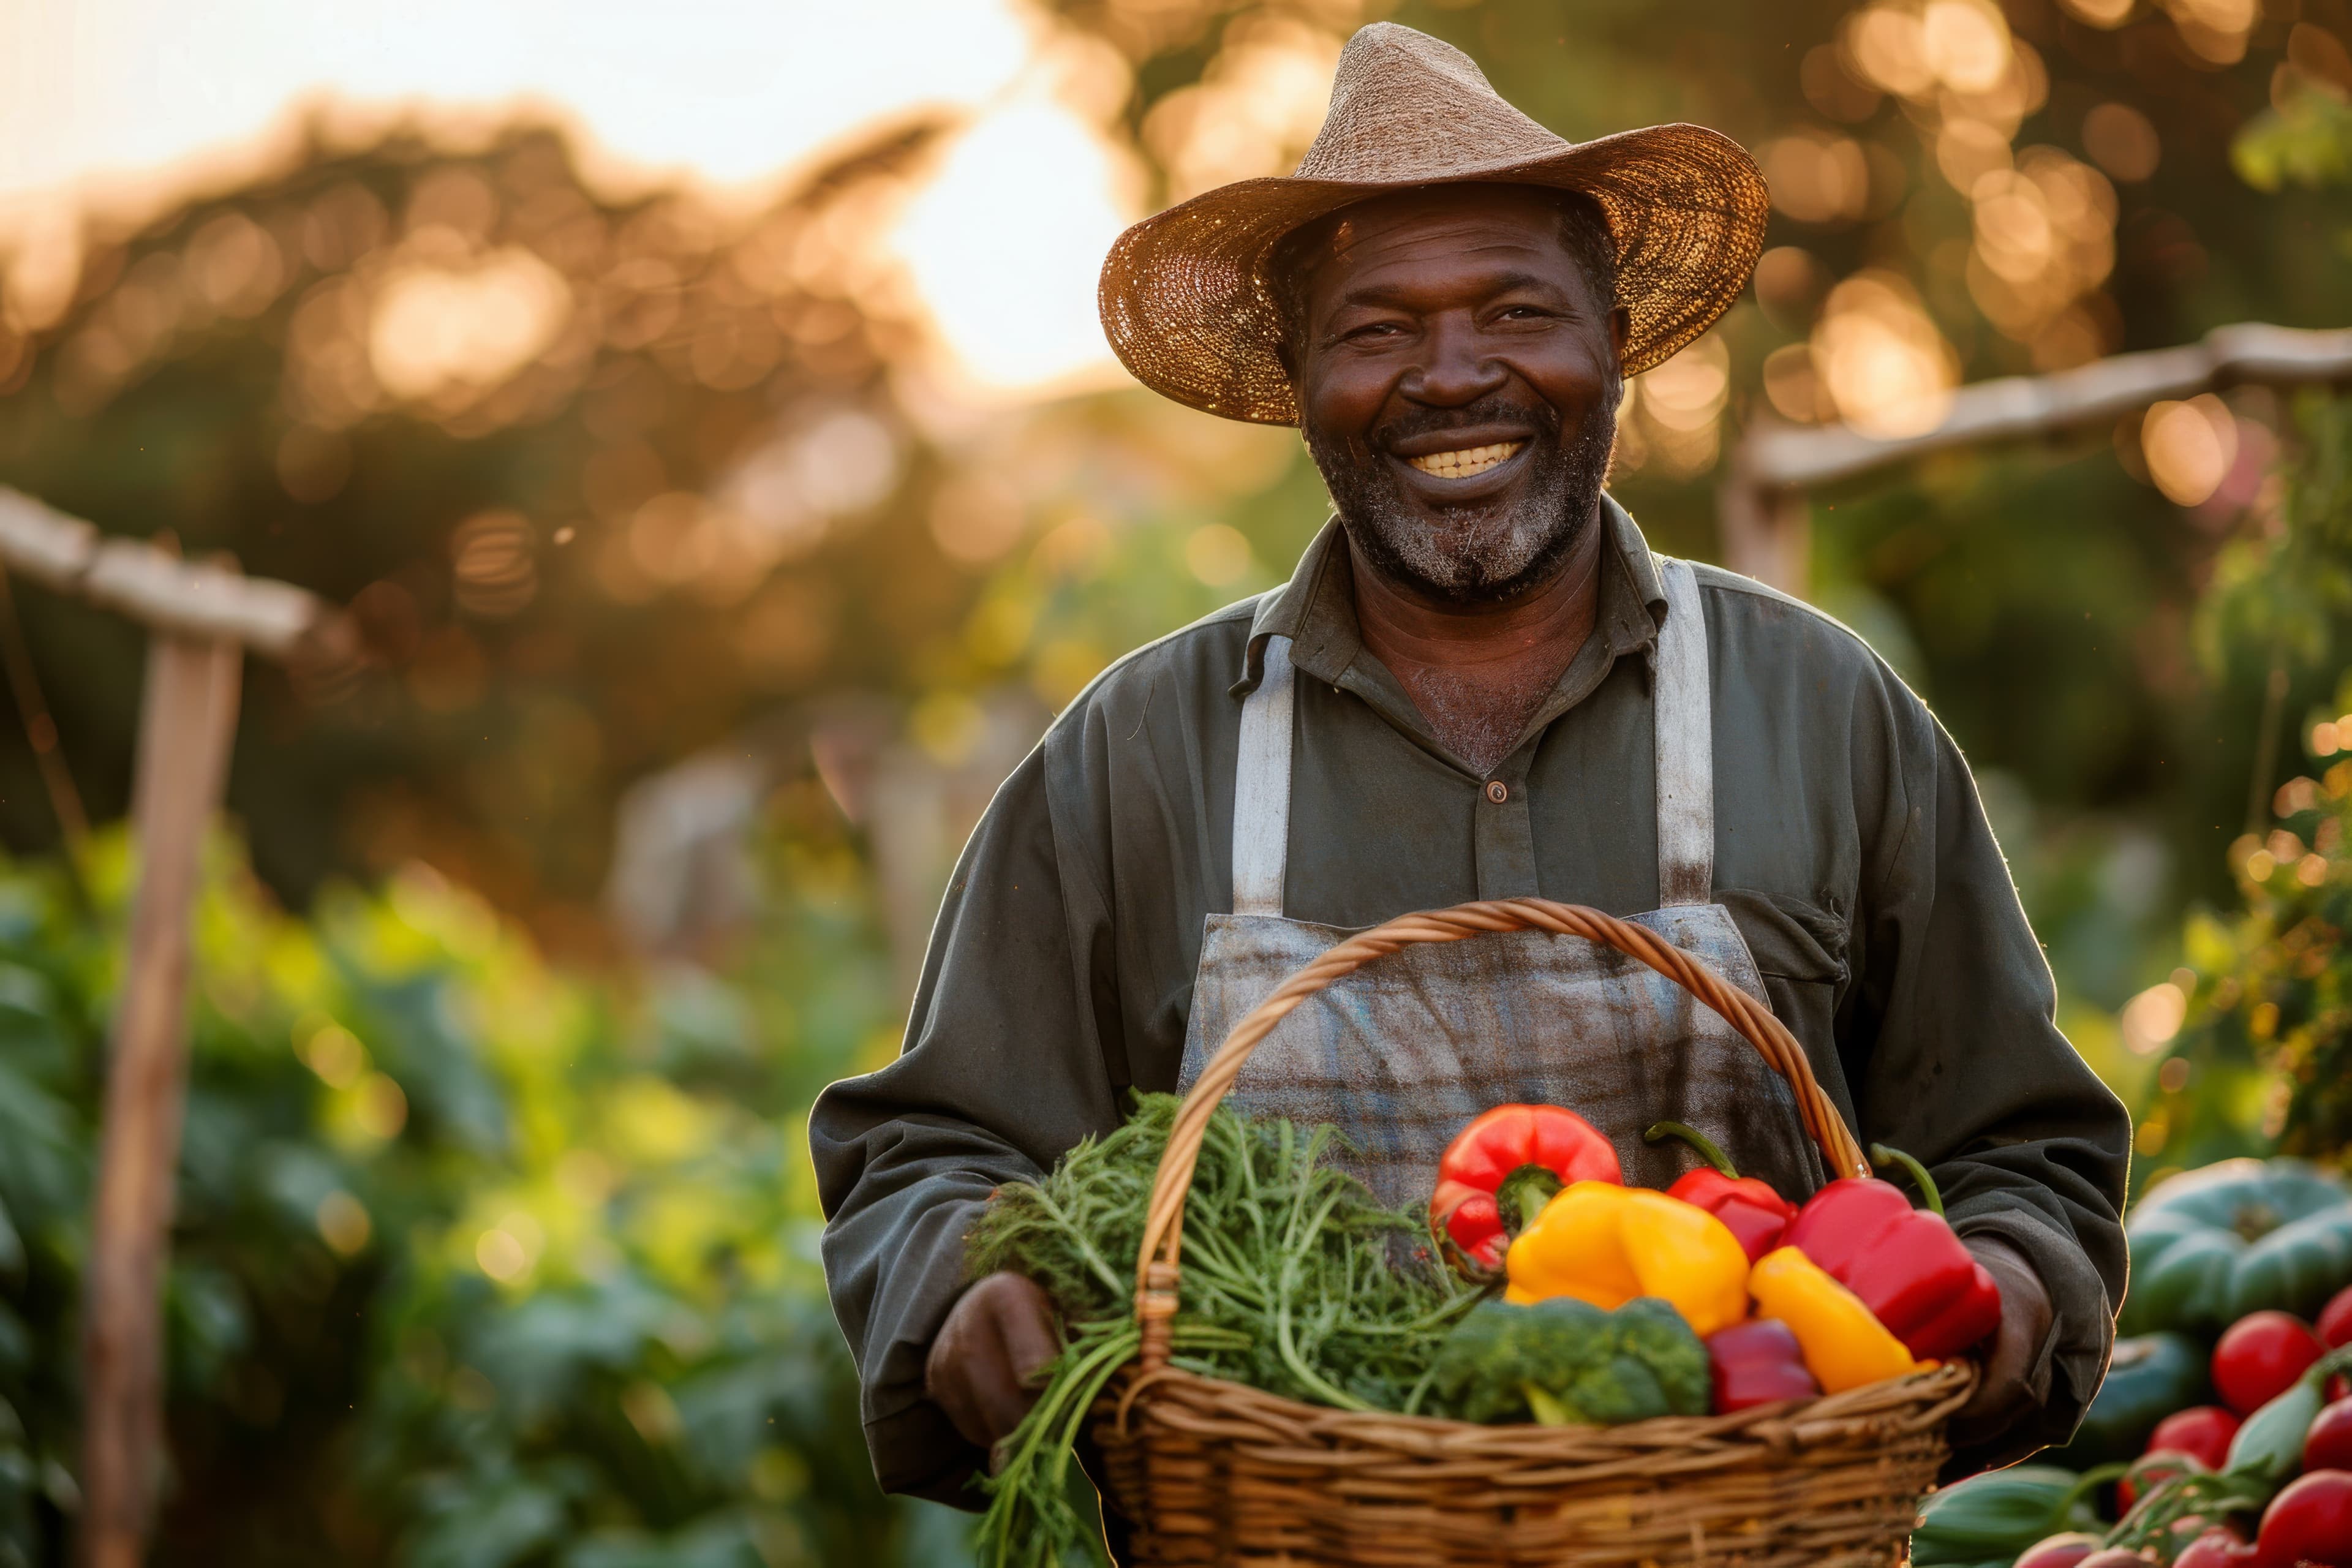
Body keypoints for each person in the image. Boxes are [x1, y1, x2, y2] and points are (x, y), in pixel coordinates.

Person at [812, 20, 2130, 1517]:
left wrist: (2009, 1292)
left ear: (1613, 339)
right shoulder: (1141, 752)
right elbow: (930, 1145)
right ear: (1301, 377)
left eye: (1516, 308)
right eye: (1376, 328)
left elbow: (2025, 1148)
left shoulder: (1821, 711)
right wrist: (972, 1284)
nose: (1452, 375)